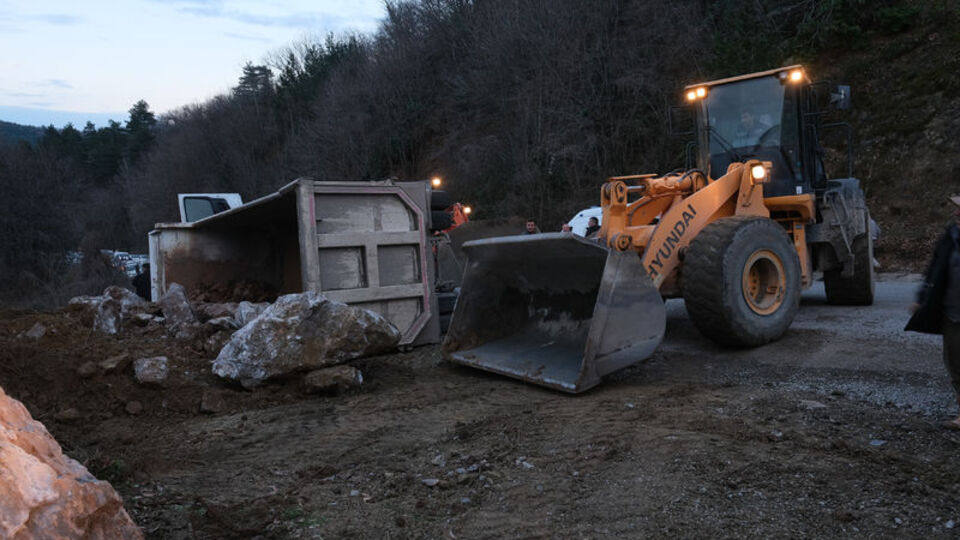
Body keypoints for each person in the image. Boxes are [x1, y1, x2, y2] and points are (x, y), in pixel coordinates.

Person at [906, 195, 960, 429]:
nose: (957, 213)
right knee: (955, 363)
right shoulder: (950, 237)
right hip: (952, 312)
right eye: (957, 209)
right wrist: (922, 299)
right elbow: (934, 270)